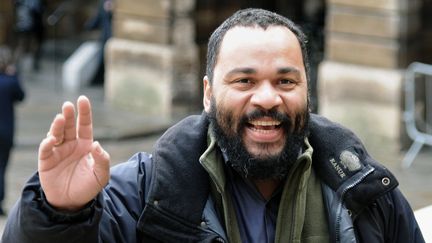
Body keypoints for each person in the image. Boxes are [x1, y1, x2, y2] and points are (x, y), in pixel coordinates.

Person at [2, 8, 425, 242]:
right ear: (207, 92)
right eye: (244, 80)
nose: (266, 98)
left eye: (286, 81)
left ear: (306, 90)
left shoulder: (367, 192)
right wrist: (59, 213)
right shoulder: (144, 192)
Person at [0, 46, 25, 216]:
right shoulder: (10, 82)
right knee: (1, 167)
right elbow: (21, 96)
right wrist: (14, 75)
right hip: (5, 132)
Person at [12, 0, 45, 71]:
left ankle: (20, 65)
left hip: (23, 25)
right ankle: (16, 65)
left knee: (27, 46)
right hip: (30, 25)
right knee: (24, 46)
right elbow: (38, 10)